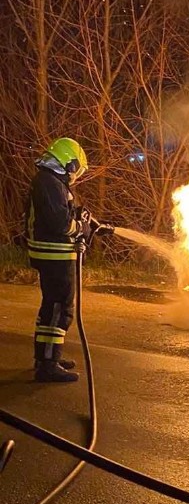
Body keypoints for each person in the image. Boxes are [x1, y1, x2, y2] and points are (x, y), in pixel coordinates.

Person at [26, 137, 94, 383]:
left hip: (53, 253)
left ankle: (46, 356)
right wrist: (81, 228)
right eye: (77, 169)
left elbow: (60, 215)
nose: (76, 175)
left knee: (51, 307)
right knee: (60, 309)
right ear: (69, 163)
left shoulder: (50, 181)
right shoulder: (49, 183)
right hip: (55, 255)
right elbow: (60, 223)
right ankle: (48, 365)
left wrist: (83, 220)